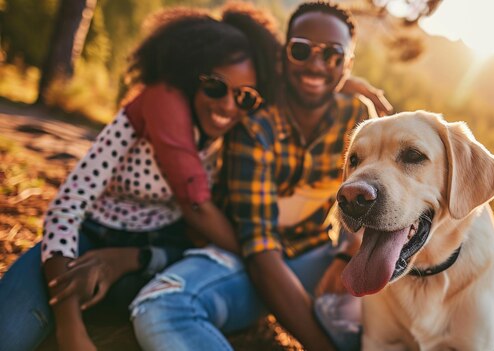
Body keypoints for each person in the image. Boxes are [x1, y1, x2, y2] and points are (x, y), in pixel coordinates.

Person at [0, 5, 281, 351]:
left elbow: (190, 238)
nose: (228, 105)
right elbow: (66, 208)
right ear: (191, 74)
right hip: (86, 239)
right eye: (215, 86)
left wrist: (123, 260)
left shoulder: (227, 142)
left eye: (245, 96)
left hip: (154, 256)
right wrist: (69, 324)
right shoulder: (141, 118)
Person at [130, 2, 374, 350]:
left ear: (348, 65)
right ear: (282, 56)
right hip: (241, 260)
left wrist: (348, 252)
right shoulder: (256, 123)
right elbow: (260, 252)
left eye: (333, 55)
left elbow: (366, 202)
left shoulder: (356, 116)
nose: (316, 65)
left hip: (315, 255)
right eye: (301, 50)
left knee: (379, 314)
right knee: (163, 307)